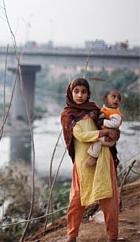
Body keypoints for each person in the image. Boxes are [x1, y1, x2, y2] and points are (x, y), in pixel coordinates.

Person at [60, 78, 120, 242]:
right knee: (76, 200)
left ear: (88, 93)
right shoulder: (67, 115)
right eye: (76, 91)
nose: (80, 95)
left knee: (109, 199)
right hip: (83, 163)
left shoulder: (95, 111)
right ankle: (72, 236)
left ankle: (112, 237)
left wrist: (114, 133)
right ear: (70, 93)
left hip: (102, 159)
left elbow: (110, 126)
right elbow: (80, 136)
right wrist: (102, 134)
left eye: (83, 92)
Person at [86, 90, 123, 166]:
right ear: (105, 100)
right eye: (113, 97)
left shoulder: (115, 113)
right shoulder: (105, 109)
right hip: (106, 136)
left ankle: (93, 157)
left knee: (97, 140)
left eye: (119, 99)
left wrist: (103, 122)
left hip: (109, 138)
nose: (116, 100)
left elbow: (115, 124)